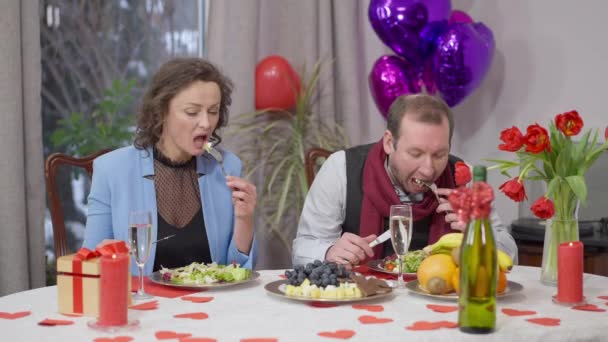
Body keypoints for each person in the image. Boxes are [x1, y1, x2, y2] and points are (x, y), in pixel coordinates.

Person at [292, 94, 517, 267]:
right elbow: (303, 247)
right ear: (389, 142)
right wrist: (329, 251)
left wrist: (480, 232)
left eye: (439, 154)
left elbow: (511, 255)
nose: (429, 170)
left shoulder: (462, 175)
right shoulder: (340, 168)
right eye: (416, 154)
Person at [83, 58, 257, 275]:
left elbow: (236, 272)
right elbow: (90, 266)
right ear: (161, 111)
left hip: (211, 305)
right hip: (140, 305)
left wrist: (245, 219)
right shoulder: (111, 171)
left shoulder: (228, 167)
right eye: (192, 112)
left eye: (213, 111)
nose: (205, 123)